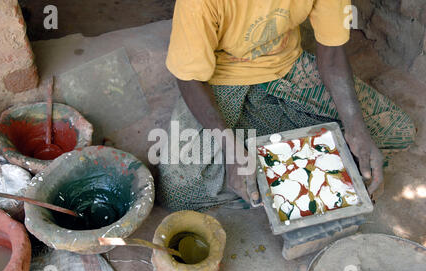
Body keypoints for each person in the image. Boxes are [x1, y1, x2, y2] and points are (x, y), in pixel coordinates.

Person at [156, 0, 416, 212]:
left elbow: (333, 54)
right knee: (177, 190)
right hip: (221, 79)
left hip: (289, 68)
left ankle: (262, 153)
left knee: (395, 132)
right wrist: (229, 145)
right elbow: (189, 78)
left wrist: (356, 128)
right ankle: (268, 151)